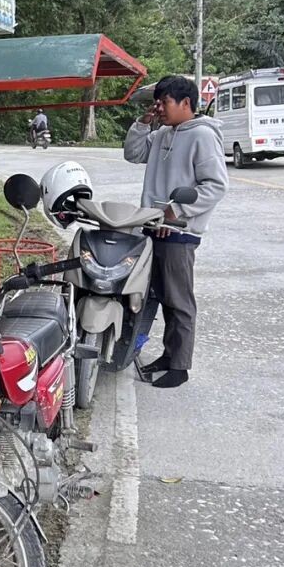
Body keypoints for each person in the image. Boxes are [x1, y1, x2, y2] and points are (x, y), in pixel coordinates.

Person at [123, 75, 228, 389]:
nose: (159, 107)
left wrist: (176, 211)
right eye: (157, 102)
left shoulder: (203, 136)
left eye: (164, 102)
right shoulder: (163, 133)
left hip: (179, 233)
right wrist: (143, 123)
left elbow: (216, 185)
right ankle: (169, 356)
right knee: (160, 296)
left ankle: (180, 366)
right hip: (153, 228)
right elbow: (133, 154)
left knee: (179, 300)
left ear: (186, 103)